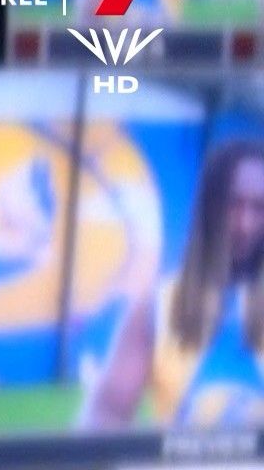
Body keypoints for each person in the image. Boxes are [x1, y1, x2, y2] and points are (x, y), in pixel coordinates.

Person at [85, 138, 264, 430]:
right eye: (234, 205)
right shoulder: (156, 307)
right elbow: (104, 420)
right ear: (210, 209)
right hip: (179, 462)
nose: (245, 224)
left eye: (259, 208)